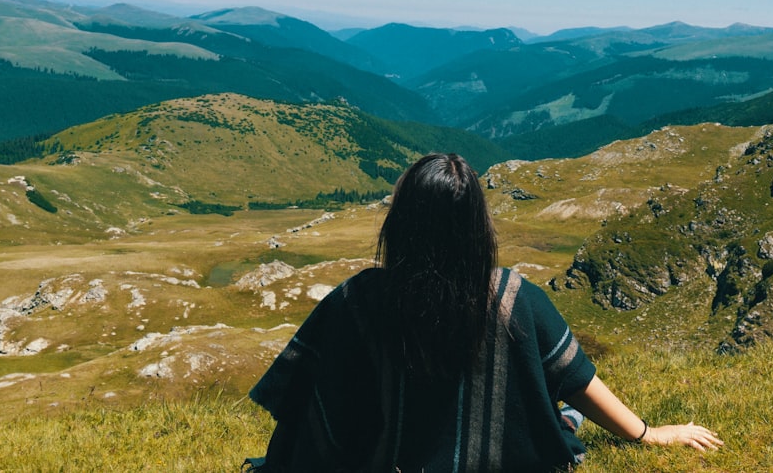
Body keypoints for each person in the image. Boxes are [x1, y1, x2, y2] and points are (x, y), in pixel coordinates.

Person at [246, 153, 722, 471]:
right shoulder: (515, 296)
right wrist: (647, 433)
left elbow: (304, 392)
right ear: (476, 225)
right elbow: (575, 379)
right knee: (556, 414)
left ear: (400, 223)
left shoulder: (356, 299)